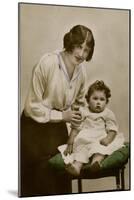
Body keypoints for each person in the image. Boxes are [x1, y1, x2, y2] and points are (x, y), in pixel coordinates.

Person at [20, 24, 95, 196]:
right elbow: (32, 107)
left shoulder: (81, 71)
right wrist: (63, 115)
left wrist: (76, 119)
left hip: (58, 129)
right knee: (40, 182)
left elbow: (79, 103)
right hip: (33, 130)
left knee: (61, 180)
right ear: (70, 43)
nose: (82, 54)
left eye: (86, 49)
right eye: (79, 47)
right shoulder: (47, 63)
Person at [58, 80, 125, 176]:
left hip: (99, 138)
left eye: (102, 100)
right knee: (81, 152)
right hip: (85, 139)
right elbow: (76, 127)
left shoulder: (107, 113)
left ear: (106, 102)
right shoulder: (83, 111)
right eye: (95, 98)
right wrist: (71, 140)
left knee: (99, 150)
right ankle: (76, 168)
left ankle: (95, 163)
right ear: (88, 100)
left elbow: (112, 129)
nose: (98, 102)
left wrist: (108, 139)